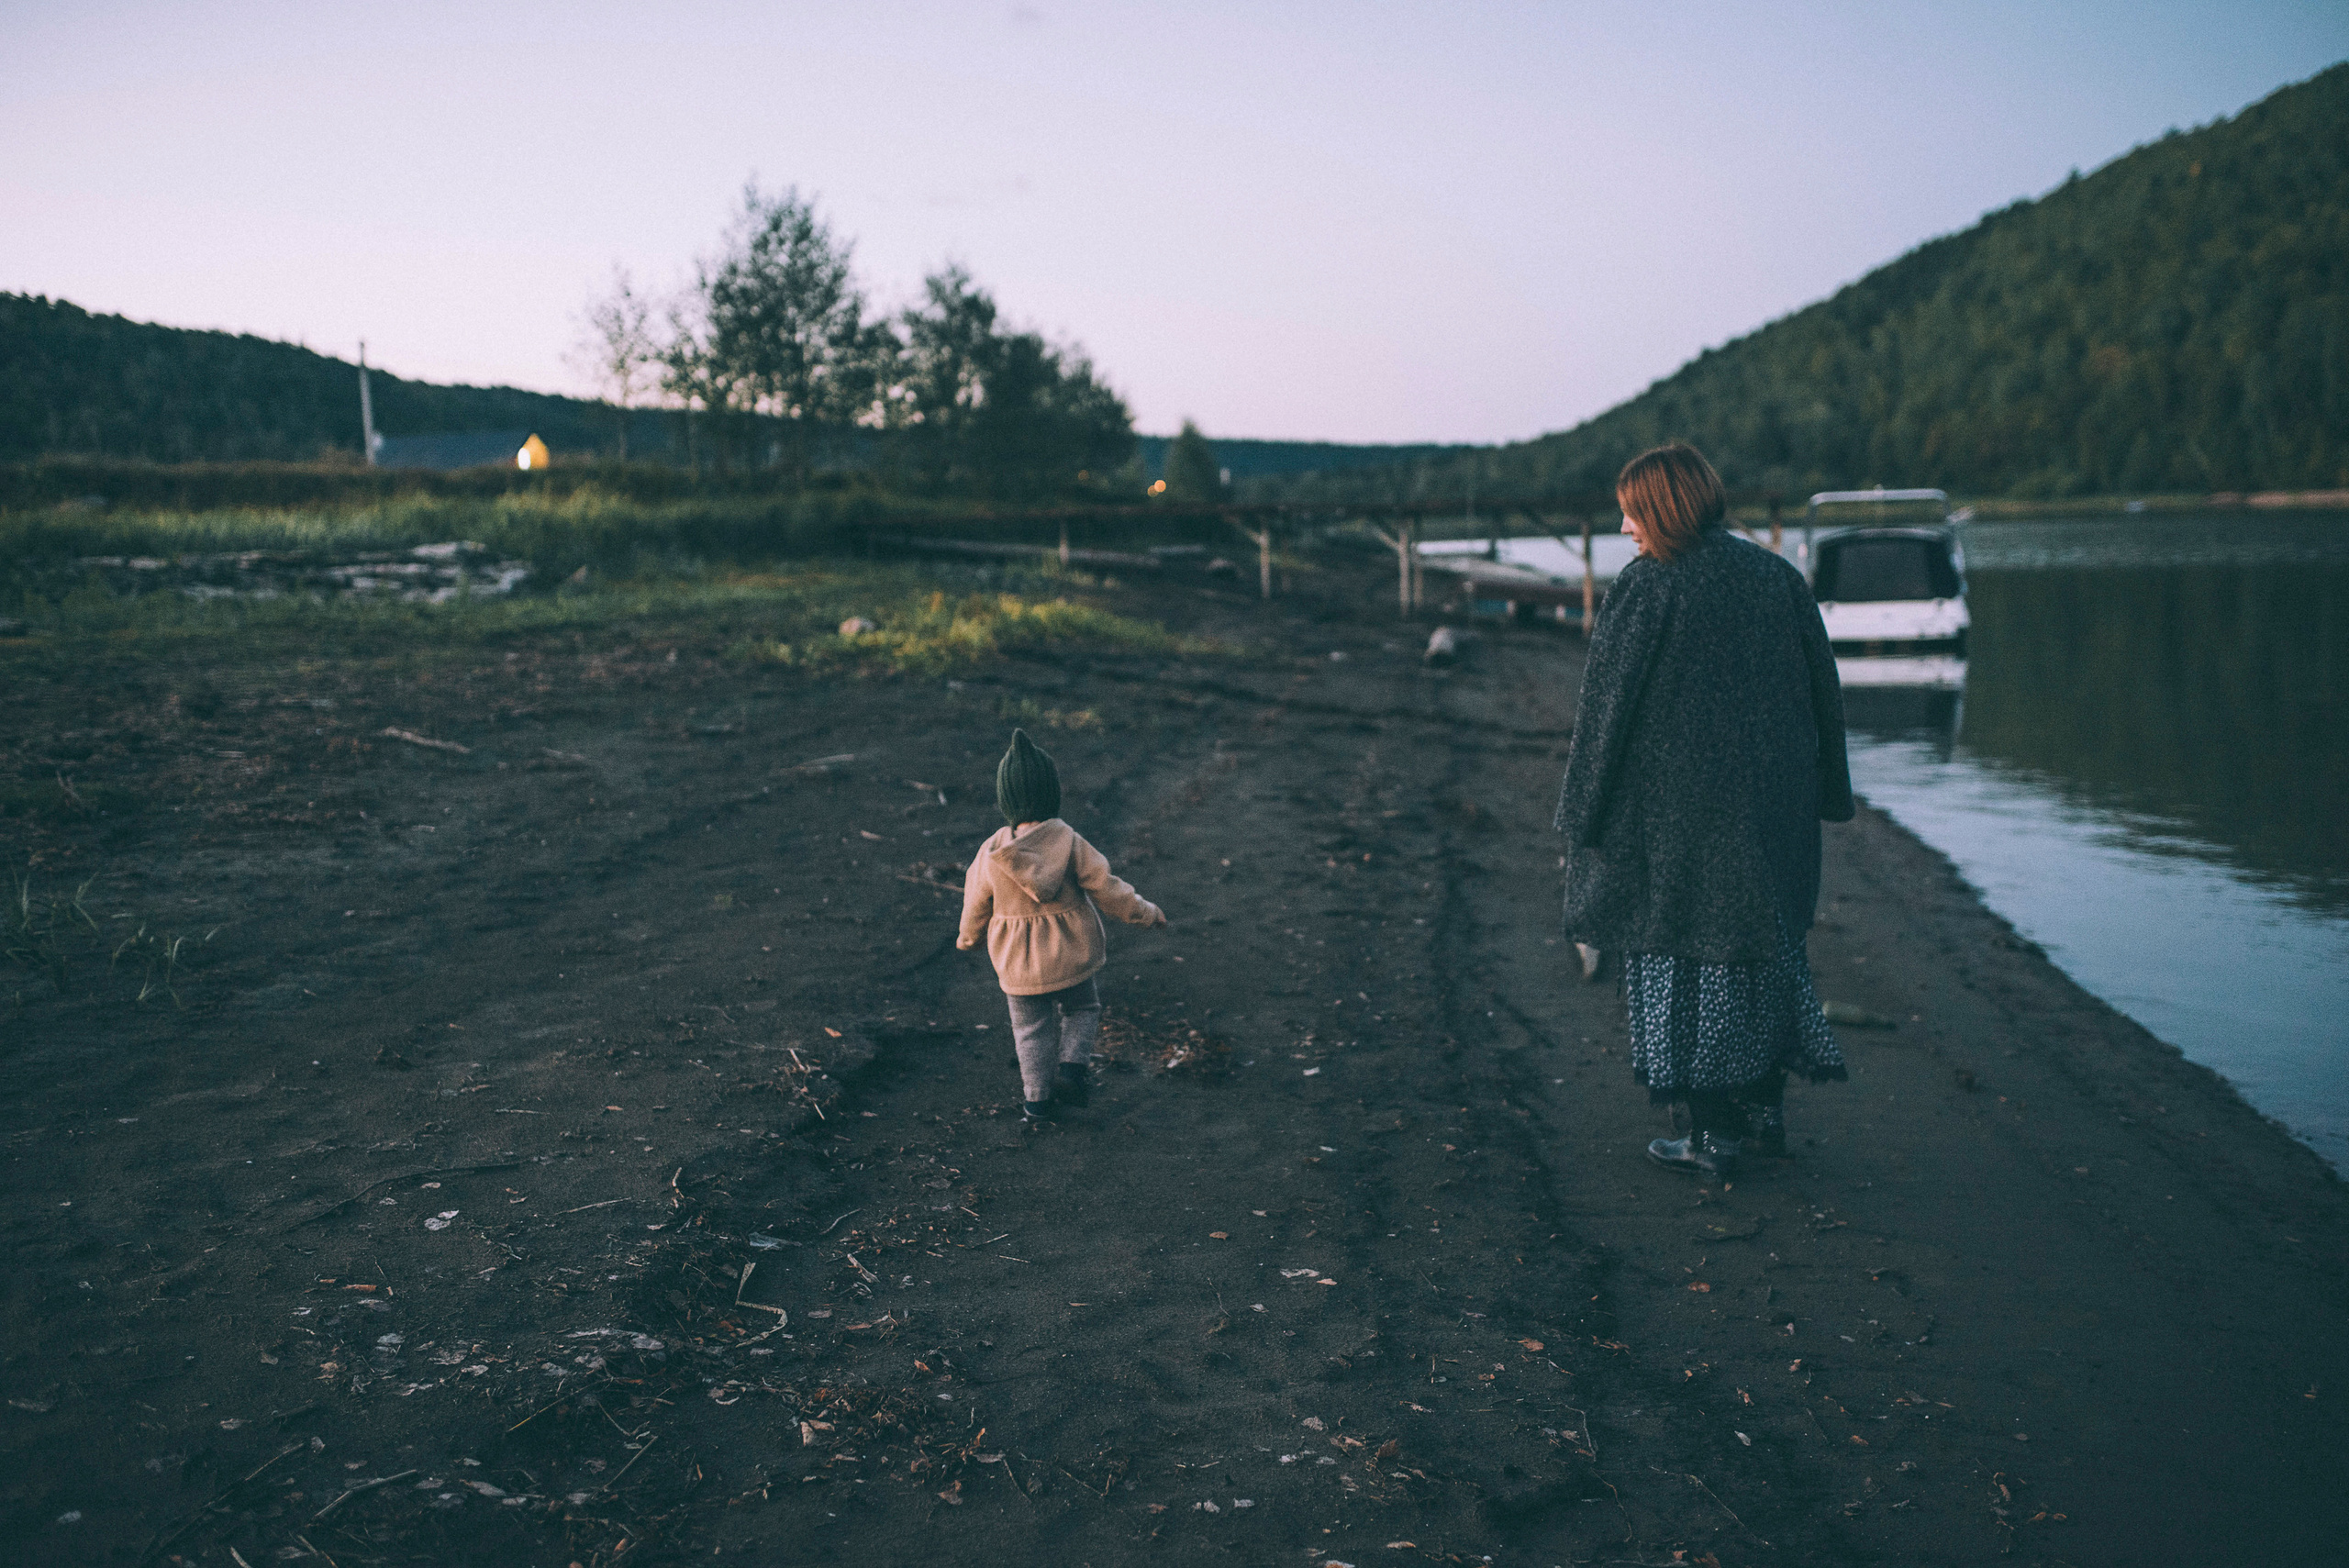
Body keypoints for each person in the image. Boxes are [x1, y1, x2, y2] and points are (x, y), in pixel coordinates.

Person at [1554, 443, 1853, 1181]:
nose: (1624, 526)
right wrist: (1829, 793)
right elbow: (1826, 694)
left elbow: (1604, 716)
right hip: (1773, 816)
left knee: (1684, 968)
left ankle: (1713, 1136)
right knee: (1763, 962)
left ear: (1662, 508)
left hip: (1676, 824)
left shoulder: (1648, 587)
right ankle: (1765, 1115)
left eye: (1631, 509)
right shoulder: (1777, 576)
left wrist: (1581, 815)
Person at [958, 728, 1166, 1122]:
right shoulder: (1069, 841)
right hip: (1071, 953)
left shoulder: (989, 852)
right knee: (1083, 1007)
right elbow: (1107, 888)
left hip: (1018, 963)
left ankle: (1036, 1102)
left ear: (1007, 802)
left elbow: (975, 903)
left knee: (1030, 1030)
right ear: (1051, 794)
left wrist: (967, 939)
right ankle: (1072, 1068)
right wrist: (1146, 912)